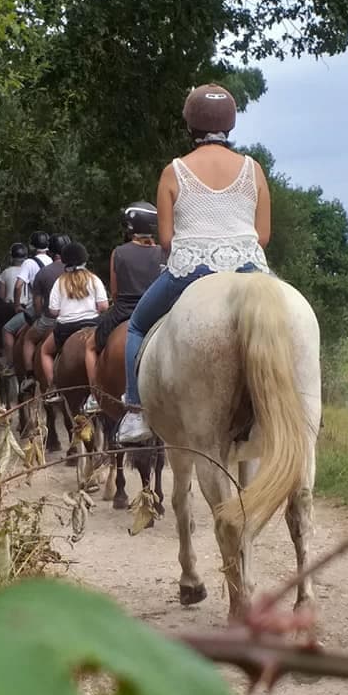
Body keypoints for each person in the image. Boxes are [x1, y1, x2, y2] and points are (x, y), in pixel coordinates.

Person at [117, 82, 272, 444]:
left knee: (137, 326)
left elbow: (168, 241)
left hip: (191, 270)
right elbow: (262, 236)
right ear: (230, 124)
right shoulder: (254, 170)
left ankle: (136, 413)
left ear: (191, 125)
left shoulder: (174, 171)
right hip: (248, 269)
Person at [83, 203, 163, 412]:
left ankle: (95, 396)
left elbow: (116, 292)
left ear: (130, 227)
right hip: (158, 309)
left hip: (124, 311)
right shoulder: (164, 252)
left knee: (91, 346)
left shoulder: (118, 252)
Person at [40, 241, 108, 402]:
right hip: (93, 324)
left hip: (66, 328)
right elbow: (104, 306)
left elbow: (53, 311)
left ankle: (53, 388)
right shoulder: (93, 279)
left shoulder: (60, 282)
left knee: (45, 351)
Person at [20, 233, 70, 393]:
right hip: (76, 316)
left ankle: (29, 377)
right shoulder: (77, 271)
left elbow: (37, 304)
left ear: (51, 252)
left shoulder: (43, 273)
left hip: (50, 320)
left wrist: (39, 314)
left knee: (28, 339)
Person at [1, 231, 52, 375]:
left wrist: (17, 305)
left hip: (35, 308)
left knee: (7, 329)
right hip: (56, 306)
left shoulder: (29, 263)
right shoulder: (53, 260)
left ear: (31, 246)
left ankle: (11, 365)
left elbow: (18, 286)